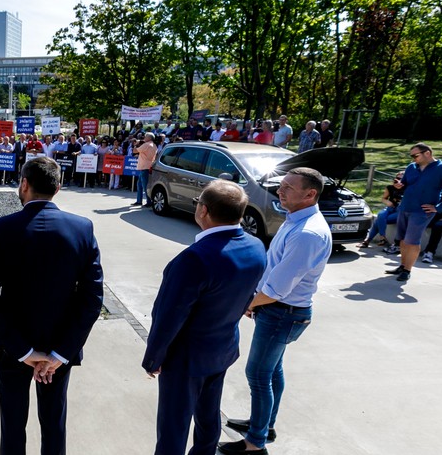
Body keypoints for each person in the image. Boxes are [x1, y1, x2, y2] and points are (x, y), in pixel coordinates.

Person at [0, 156, 104, 455]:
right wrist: (61, 353)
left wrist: (23, 350)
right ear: (58, 188)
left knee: (12, 425)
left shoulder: (1, 228)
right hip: (60, 347)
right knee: (54, 424)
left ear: (24, 184)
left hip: (13, 348)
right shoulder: (82, 228)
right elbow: (92, 298)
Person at [142, 180, 266, 455]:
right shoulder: (256, 246)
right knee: (209, 414)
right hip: (222, 348)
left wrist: (154, 357)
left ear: (203, 211)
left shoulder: (194, 259)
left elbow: (168, 316)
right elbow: (248, 295)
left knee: (174, 425)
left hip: (186, 358)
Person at [219, 167, 333, 455]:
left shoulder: (307, 233)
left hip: (282, 312)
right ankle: (264, 425)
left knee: (258, 374)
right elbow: (275, 269)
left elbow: (278, 288)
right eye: (280, 185)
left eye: (287, 188)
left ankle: (255, 444)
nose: (279, 191)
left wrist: (250, 303)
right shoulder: (295, 219)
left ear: (310, 194)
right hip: (280, 310)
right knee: (272, 372)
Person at [385, 143, 442, 281]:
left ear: (427, 153)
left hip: (421, 211)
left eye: (415, 155)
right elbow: (404, 184)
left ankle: (407, 270)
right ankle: (402, 266)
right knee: (402, 239)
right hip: (405, 207)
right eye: (411, 156)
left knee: (412, 240)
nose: (413, 159)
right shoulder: (411, 167)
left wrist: (439, 208)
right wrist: (399, 186)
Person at [357, 171, 404, 249]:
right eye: (397, 179)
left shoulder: (408, 188)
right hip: (390, 208)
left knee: (379, 219)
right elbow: (383, 199)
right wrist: (387, 201)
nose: (398, 181)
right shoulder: (390, 187)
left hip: (400, 211)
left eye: (401, 179)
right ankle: (382, 237)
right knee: (381, 215)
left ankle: (368, 241)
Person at [133, 133, 157, 207]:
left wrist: (136, 144)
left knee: (144, 185)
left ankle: (148, 202)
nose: (144, 137)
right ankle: (139, 201)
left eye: (146, 136)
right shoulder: (154, 145)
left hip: (144, 167)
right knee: (140, 184)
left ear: (149, 138)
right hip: (147, 167)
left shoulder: (146, 145)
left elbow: (134, 151)